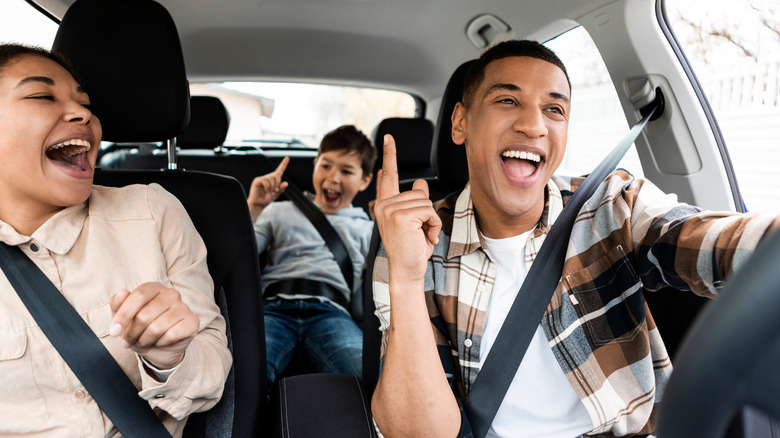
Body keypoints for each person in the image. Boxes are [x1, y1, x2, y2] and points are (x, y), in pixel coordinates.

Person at [371, 40, 780, 438]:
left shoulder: (610, 205)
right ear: (461, 122)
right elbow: (419, 432)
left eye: (554, 109)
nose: (533, 125)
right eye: (507, 101)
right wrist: (406, 276)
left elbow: (716, 241)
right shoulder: (416, 243)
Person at [0, 44, 232, 437]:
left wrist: (167, 359)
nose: (83, 113)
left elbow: (212, 367)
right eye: (42, 95)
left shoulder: (151, 210)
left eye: (85, 102)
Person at [247, 124, 376, 391]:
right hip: (274, 309)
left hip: (331, 312)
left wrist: (387, 227)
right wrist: (255, 207)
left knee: (365, 377)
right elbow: (241, 254)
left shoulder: (367, 228)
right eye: (326, 166)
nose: (333, 178)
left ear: (365, 181)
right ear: (315, 164)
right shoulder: (279, 211)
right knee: (245, 374)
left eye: (347, 171)